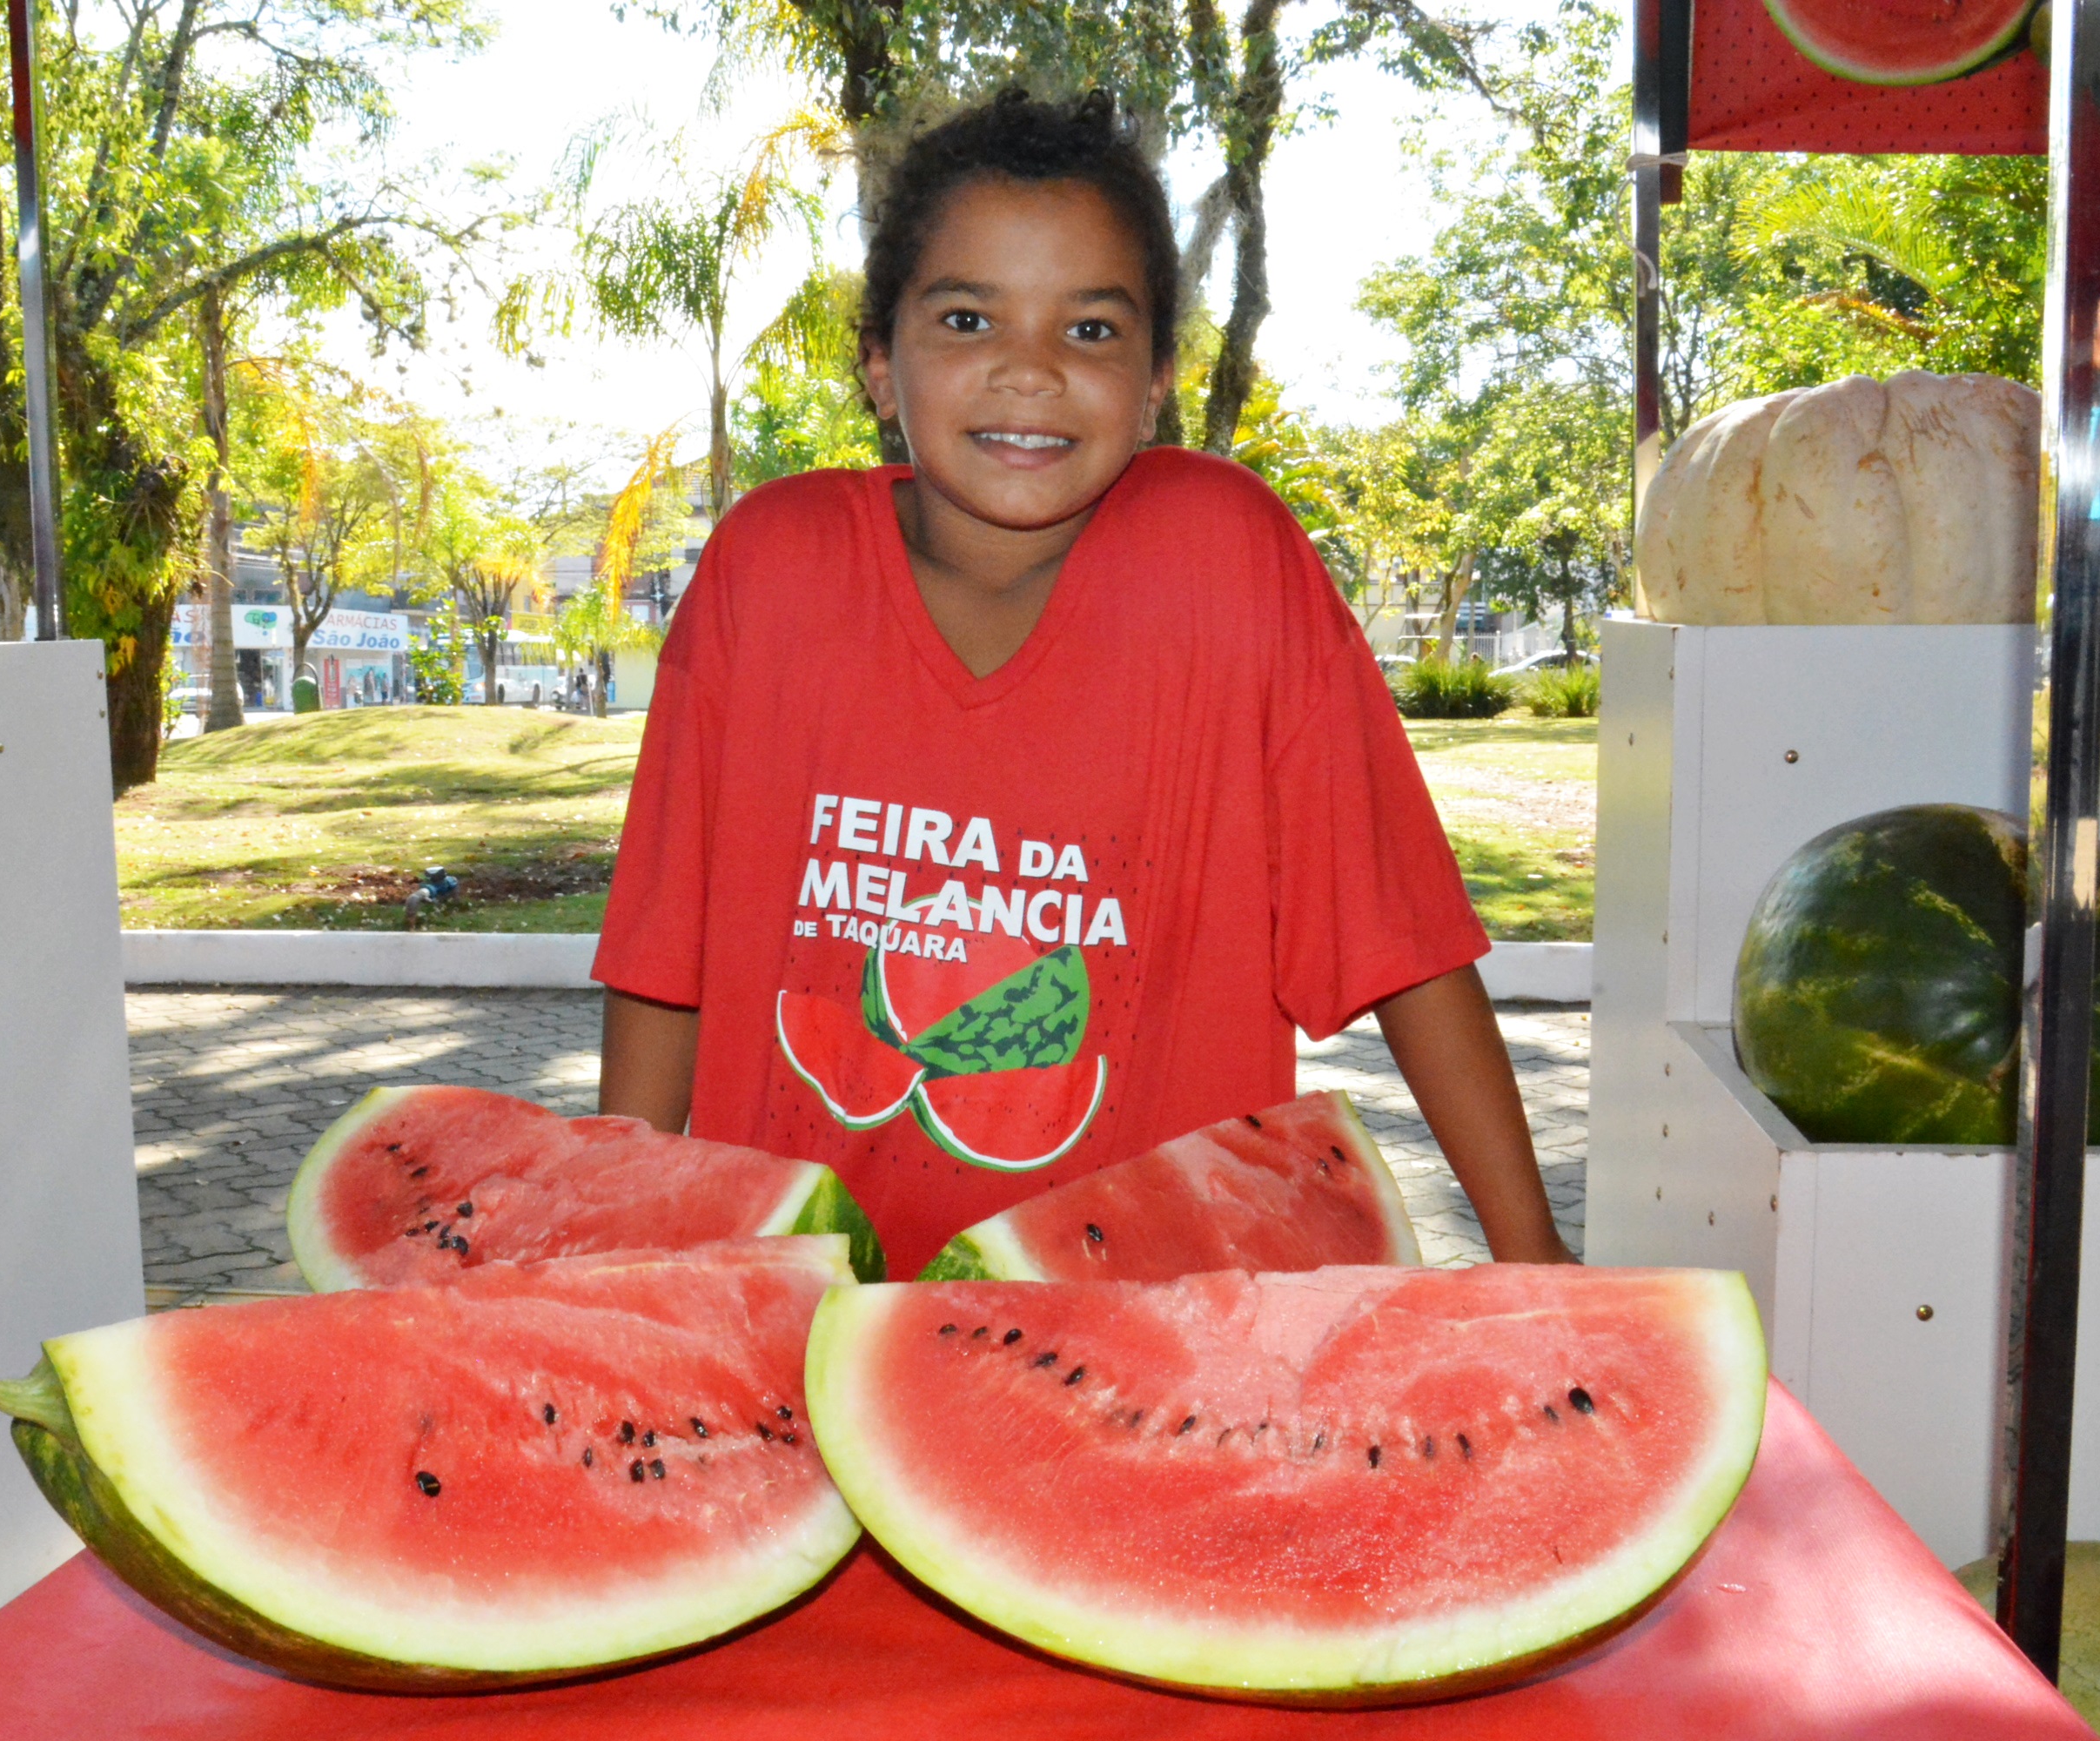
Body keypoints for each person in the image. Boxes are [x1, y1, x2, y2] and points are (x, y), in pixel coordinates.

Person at [594, 90, 1573, 1275]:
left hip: (1156, 1337)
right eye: (966, 317)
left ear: (1158, 378)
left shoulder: (1226, 564)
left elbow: (1406, 944)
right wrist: (611, 1259)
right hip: (797, 1321)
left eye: (1092, 331)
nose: (1029, 372)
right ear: (878, 364)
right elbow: (662, 963)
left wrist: (1533, 1257)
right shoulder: (770, 568)